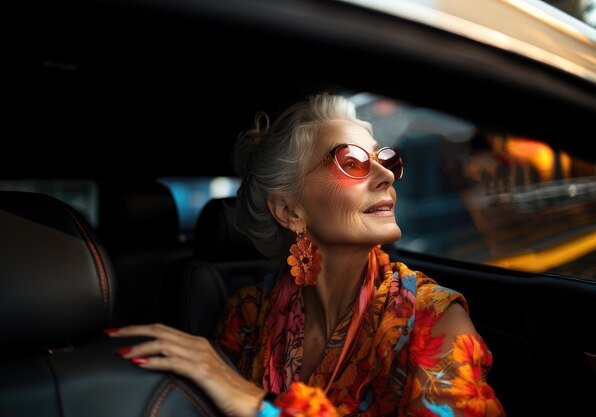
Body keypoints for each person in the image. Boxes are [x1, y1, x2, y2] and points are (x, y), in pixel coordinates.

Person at [105, 92, 506, 417]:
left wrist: (258, 405)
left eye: (386, 160)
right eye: (352, 162)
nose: (386, 175)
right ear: (290, 211)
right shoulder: (246, 317)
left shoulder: (432, 321)